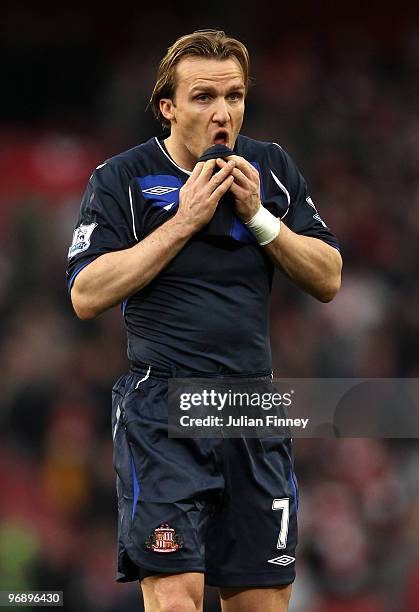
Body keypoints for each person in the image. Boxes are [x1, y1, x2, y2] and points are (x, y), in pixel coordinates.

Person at [67, 29, 342, 612]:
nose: (223, 111)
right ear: (168, 107)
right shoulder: (121, 179)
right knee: (174, 600)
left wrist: (259, 217)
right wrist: (183, 221)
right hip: (163, 411)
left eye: (235, 96)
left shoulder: (269, 169)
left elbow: (328, 277)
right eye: (203, 97)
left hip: (251, 409)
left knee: (261, 602)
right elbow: (87, 293)